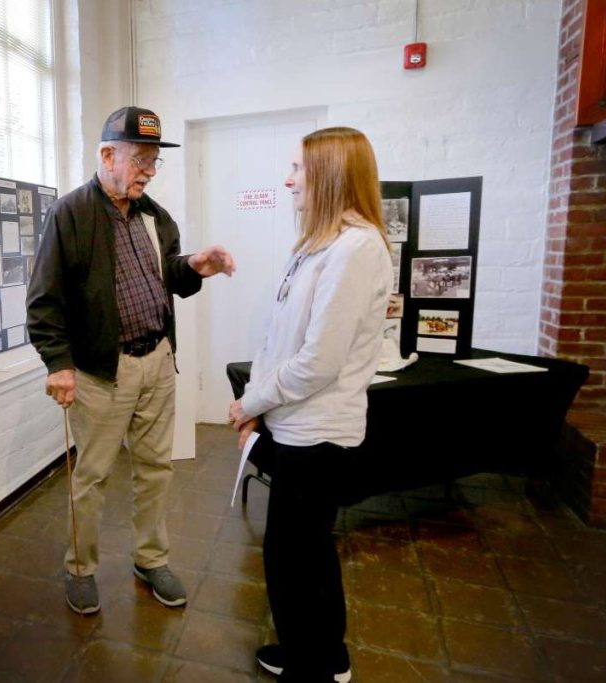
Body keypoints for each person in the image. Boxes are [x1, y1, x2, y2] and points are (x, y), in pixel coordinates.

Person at [27, 106, 235, 615]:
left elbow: (165, 276)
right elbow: (43, 300)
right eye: (139, 158)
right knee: (93, 475)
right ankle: (81, 568)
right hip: (103, 373)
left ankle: (151, 558)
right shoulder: (71, 214)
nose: (147, 169)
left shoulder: (155, 216)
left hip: (158, 362)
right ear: (107, 155)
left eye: (153, 161)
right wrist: (59, 363)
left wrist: (195, 268)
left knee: (156, 468)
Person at [227, 127, 392, 682]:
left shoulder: (357, 249)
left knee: (295, 557)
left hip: (317, 435)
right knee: (300, 552)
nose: (288, 179)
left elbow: (318, 363)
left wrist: (249, 399)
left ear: (331, 175)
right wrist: (259, 404)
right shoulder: (320, 246)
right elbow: (282, 339)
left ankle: (317, 665)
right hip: (295, 425)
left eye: (298, 168)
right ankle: (317, 652)